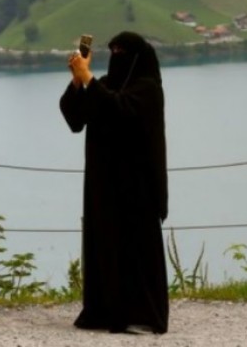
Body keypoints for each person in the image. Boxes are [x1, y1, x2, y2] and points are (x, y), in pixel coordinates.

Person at [59, 31, 169, 334]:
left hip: (137, 187)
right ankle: (103, 311)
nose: (116, 56)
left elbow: (119, 111)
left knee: (136, 250)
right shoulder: (106, 85)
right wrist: (78, 81)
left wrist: (90, 81)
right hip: (103, 185)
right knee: (103, 247)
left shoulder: (148, 89)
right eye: (113, 50)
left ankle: (142, 314)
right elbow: (75, 118)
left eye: (122, 51)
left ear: (137, 57)